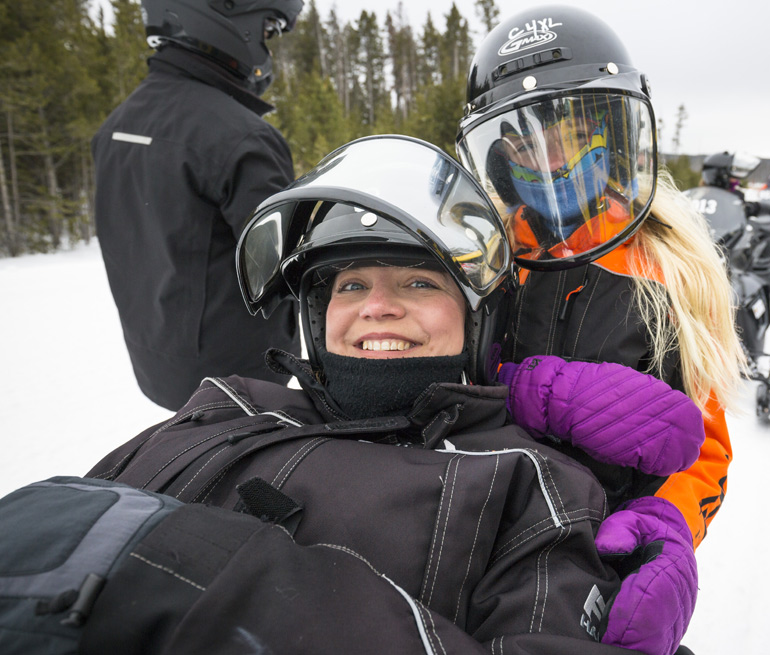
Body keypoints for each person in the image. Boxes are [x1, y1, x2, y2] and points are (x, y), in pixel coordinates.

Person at [83, 135, 709, 652]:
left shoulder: (527, 485)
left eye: (415, 280)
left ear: (473, 317)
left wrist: (669, 515)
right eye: (350, 286)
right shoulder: (228, 407)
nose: (378, 307)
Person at [456, 7, 746, 654]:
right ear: (501, 156)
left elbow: (703, 440)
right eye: (528, 142)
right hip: (482, 522)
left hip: (597, 540)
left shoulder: (666, 268)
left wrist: (666, 519)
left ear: (610, 133)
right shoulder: (483, 260)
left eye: (572, 130)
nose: (552, 161)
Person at [91, 0, 303, 411]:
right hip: (241, 384)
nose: (266, 46)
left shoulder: (119, 123)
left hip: (160, 366)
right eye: (267, 29)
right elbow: (287, 265)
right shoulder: (240, 138)